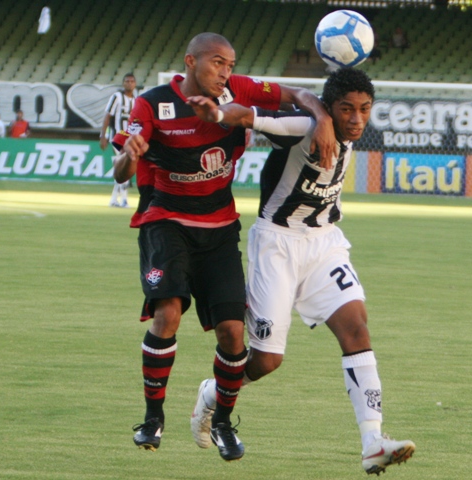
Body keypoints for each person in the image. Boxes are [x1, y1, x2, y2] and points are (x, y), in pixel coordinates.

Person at [111, 32, 335, 462]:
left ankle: (221, 422)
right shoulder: (154, 103)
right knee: (167, 312)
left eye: (230, 64)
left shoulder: (240, 90)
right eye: (217, 63)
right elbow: (121, 172)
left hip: (219, 227)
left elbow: (301, 93)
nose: (225, 72)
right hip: (166, 221)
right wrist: (132, 156)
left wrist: (322, 118)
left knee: (234, 335)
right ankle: (153, 416)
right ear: (190, 61)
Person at [187, 67, 416, 475]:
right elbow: (251, 116)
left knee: (357, 328)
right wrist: (219, 115)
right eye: (347, 109)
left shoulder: (343, 132)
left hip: (324, 243)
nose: (357, 119)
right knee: (266, 362)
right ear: (330, 108)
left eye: (364, 109)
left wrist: (329, 115)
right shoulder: (304, 127)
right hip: (277, 244)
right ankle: (211, 393)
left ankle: (372, 442)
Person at [100, 73, 137, 208]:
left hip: (129, 139)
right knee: (123, 166)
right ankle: (124, 200)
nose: (129, 83)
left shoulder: (136, 100)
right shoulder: (117, 97)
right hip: (117, 138)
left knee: (122, 168)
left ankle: (114, 199)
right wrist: (102, 136)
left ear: (135, 84)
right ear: (123, 83)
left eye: (132, 81)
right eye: (127, 81)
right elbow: (107, 116)